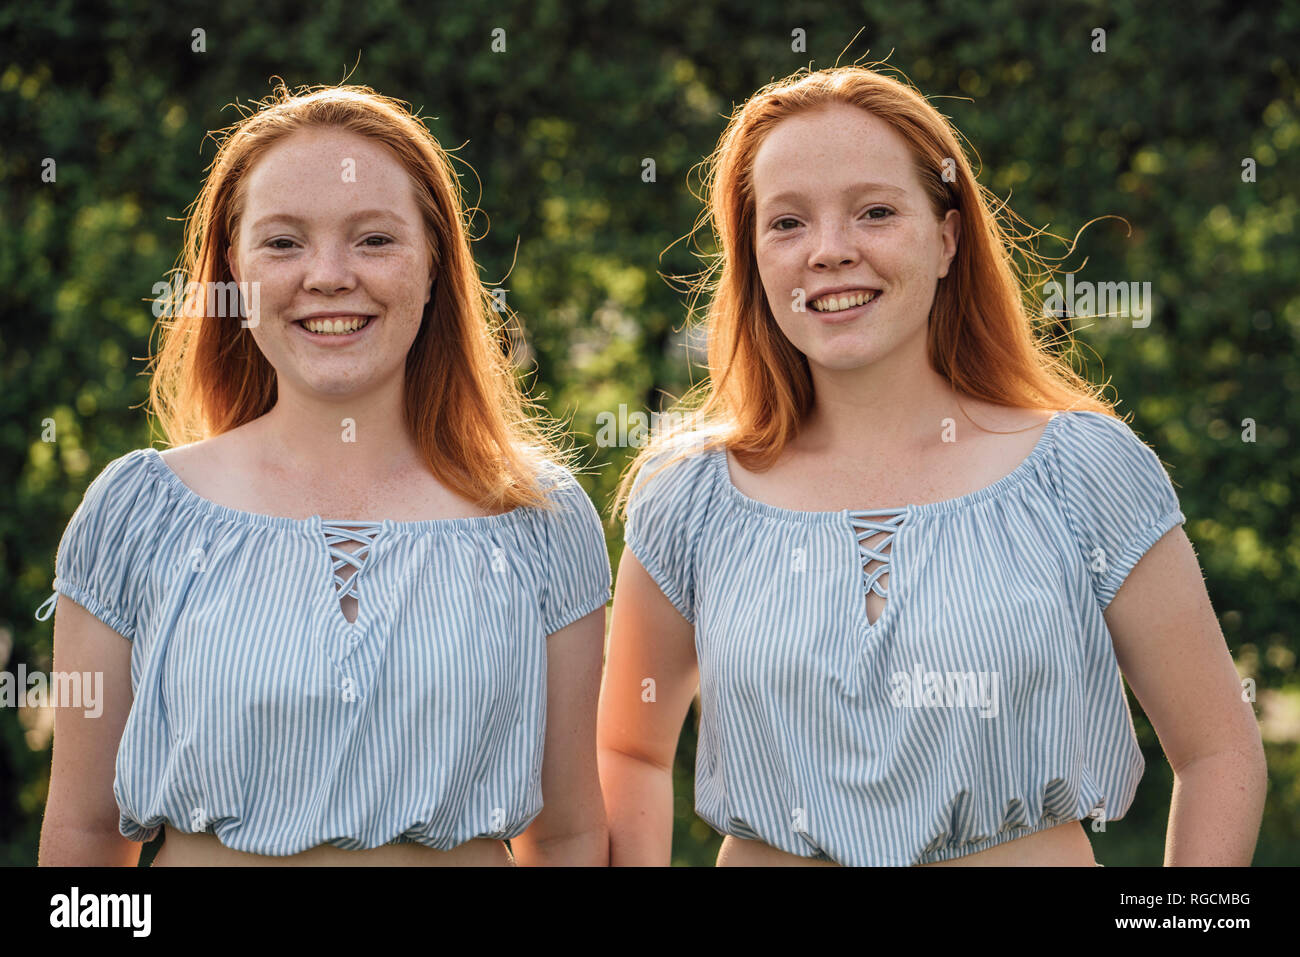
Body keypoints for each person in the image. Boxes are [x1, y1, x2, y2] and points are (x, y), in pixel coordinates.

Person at [598, 65, 1266, 866]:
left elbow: (1218, 750)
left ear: (948, 238)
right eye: (786, 223)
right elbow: (627, 752)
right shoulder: (691, 498)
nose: (830, 251)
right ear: (752, 258)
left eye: (875, 212)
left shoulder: (1082, 470)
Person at [34, 83, 611, 866]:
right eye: (284, 243)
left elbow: (571, 832)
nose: (330, 275)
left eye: (374, 239)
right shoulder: (137, 515)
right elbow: (82, 835)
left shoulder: (541, 516)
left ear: (436, 260)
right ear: (234, 268)